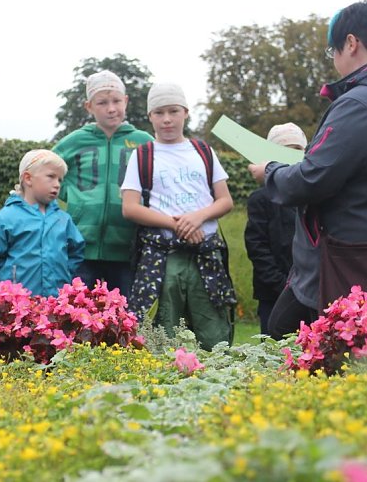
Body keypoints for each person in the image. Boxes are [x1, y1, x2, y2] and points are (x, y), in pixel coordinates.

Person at [248, 0, 367, 338]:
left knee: (283, 342)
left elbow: (311, 178)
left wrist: (271, 172)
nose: (333, 61)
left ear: (351, 43)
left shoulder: (362, 103)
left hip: (346, 260)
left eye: (331, 51)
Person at [122, 82, 235, 350]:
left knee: (213, 333)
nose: (167, 119)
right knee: (162, 332)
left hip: (205, 255)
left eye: (173, 111)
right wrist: (178, 224)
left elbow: (225, 200)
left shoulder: (203, 152)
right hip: (162, 258)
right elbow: (130, 208)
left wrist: (197, 217)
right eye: (159, 113)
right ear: (150, 116)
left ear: (185, 112)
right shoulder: (143, 155)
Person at [53, 70, 153, 300]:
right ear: (89, 106)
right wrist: (75, 196)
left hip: (128, 249)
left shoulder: (143, 142)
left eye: (117, 101)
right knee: (78, 316)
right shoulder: (75, 140)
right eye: (102, 102)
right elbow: (45, 170)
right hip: (81, 249)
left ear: (126, 101)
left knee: (125, 318)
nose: (111, 108)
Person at [0, 149, 85, 296]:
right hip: (19, 302)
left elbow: (76, 250)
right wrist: (9, 279)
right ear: (28, 179)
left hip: (56, 301)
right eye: (51, 177)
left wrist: (64, 274)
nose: (57, 184)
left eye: (60, 179)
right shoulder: (7, 217)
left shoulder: (63, 219)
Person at [244, 123, 307, 335]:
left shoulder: (314, 197)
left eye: (296, 150)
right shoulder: (260, 200)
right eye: (283, 150)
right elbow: (257, 247)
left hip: (310, 290)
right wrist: (282, 285)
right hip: (273, 293)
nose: (290, 156)